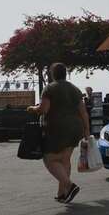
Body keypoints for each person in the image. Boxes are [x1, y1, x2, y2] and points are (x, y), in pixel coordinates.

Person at [27, 63, 88, 203]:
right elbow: (83, 112)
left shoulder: (50, 88)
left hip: (58, 128)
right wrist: (87, 131)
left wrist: (31, 108)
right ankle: (62, 193)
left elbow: (43, 110)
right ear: (65, 73)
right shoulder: (75, 89)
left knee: (50, 159)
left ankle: (70, 186)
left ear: (53, 74)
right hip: (75, 128)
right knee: (64, 159)